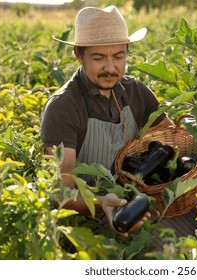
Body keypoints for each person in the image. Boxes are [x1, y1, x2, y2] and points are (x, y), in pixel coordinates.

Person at [40, 6, 172, 237]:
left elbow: (171, 139)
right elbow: (62, 193)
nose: (110, 68)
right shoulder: (63, 108)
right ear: (79, 56)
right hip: (89, 220)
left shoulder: (137, 92)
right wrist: (102, 202)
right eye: (99, 58)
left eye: (118, 57)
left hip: (139, 204)